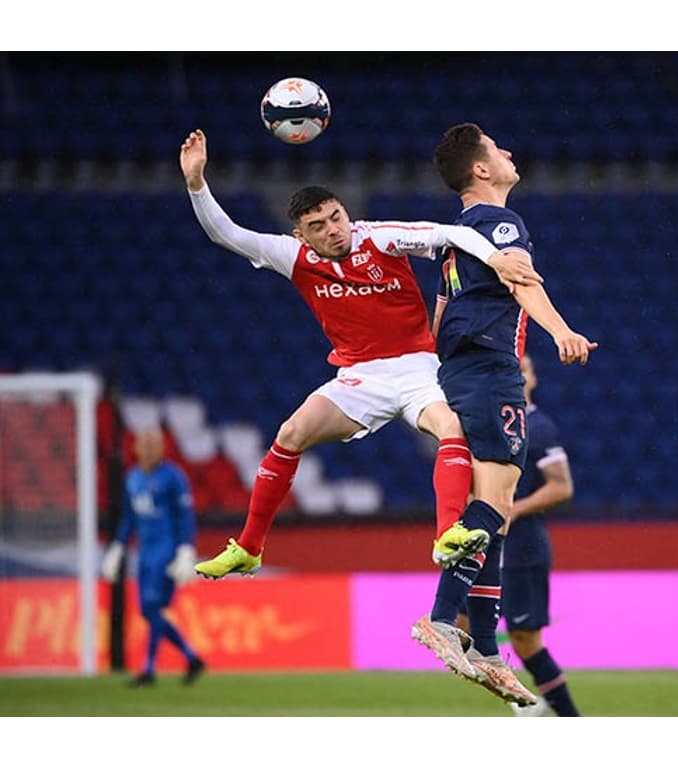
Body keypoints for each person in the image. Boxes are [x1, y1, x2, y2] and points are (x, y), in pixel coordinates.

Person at [177, 129, 543, 578]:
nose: (333, 230)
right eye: (318, 226)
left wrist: (497, 258)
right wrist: (197, 183)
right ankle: (250, 548)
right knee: (291, 432)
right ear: (301, 234)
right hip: (359, 377)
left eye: (336, 217)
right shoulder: (292, 256)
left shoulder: (381, 238)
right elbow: (226, 234)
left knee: (450, 427)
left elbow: (451, 234)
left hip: (418, 368)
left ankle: (448, 532)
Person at [411, 123, 597, 707]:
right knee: (497, 501)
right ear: (481, 170)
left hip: (460, 372)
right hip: (492, 371)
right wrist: (562, 331)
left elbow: (440, 315)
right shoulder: (501, 223)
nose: (510, 151)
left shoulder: (453, 237)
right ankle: (444, 618)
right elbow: (521, 281)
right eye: (498, 147)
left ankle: (486, 646)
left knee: (492, 511)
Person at [457, 352, 580, 716]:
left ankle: (570, 718)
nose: (514, 374)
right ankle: (521, 701)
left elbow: (561, 487)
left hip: (523, 550)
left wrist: (509, 510)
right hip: (483, 546)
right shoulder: (485, 425)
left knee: (525, 640)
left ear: (532, 378)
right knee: (461, 633)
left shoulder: (539, 427)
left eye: (522, 368)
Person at [100, 427, 205, 687]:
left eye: (153, 445)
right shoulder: (132, 478)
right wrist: (118, 548)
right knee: (151, 610)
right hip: (145, 553)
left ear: (162, 448)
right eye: (144, 445)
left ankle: (150, 669)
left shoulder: (173, 477)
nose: (148, 450)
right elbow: (129, 518)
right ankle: (189, 658)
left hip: (166, 551)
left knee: (150, 607)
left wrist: (185, 549)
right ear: (135, 448)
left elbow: (185, 516)